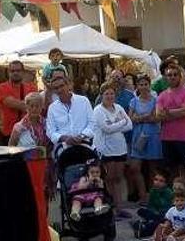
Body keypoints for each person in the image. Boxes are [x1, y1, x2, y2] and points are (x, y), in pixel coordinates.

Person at [156, 63, 185, 193]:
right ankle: (175, 195)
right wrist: (177, 112)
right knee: (172, 168)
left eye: (175, 75)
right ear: (165, 77)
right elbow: (159, 115)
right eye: (169, 75)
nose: (172, 77)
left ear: (180, 76)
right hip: (168, 138)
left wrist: (168, 112)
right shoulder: (162, 95)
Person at [93, 81, 133, 216]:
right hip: (106, 149)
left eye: (112, 93)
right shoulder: (98, 110)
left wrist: (116, 123)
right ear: (102, 95)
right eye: (106, 94)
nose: (110, 96)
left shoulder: (119, 107)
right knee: (109, 177)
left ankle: (120, 207)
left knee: (118, 177)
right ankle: (110, 207)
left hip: (120, 148)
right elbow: (107, 129)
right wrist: (121, 122)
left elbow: (130, 125)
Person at [128, 75, 162, 200]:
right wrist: (146, 117)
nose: (143, 87)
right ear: (137, 86)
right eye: (140, 84)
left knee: (153, 168)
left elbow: (155, 118)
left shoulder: (156, 100)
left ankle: (152, 196)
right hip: (138, 137)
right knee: (135, 167)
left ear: (149, 85)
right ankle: (142, 195)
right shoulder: (133, 101)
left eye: (145, 84)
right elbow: (130, 118)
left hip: (153, 135)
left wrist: (140, 118)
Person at [46, 76, 94, 152]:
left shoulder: (83, 101)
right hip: (63, 148)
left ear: (68, 85)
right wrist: (64, 138)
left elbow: (92, 123)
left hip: (84, 144)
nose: (59, 90)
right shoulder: (52, 108)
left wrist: (82, 136)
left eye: (62, 86)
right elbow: (50, 131)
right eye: (56, 88)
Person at [0, 61, 38, 145]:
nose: (15, 73)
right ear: (8, 72)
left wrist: (23, 104)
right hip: (9, 132)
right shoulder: (2, 87)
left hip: (29, 132)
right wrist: (29, 105)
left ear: (23, 72)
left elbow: (36, 106)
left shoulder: (32, 87)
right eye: (12, 71)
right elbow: (13, 104)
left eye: (18, 71)